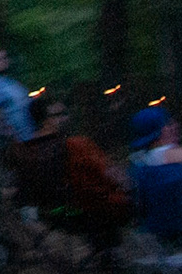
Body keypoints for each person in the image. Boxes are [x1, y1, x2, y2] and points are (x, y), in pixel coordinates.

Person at [10, 98, 133, 255]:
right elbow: (108, 175)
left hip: (51, 215)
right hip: (85, 212)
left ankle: (106, 251)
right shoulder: (75, 145)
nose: (65, 118)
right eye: (59, 114)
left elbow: (22, 193)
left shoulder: (24, 153)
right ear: (46, 120)